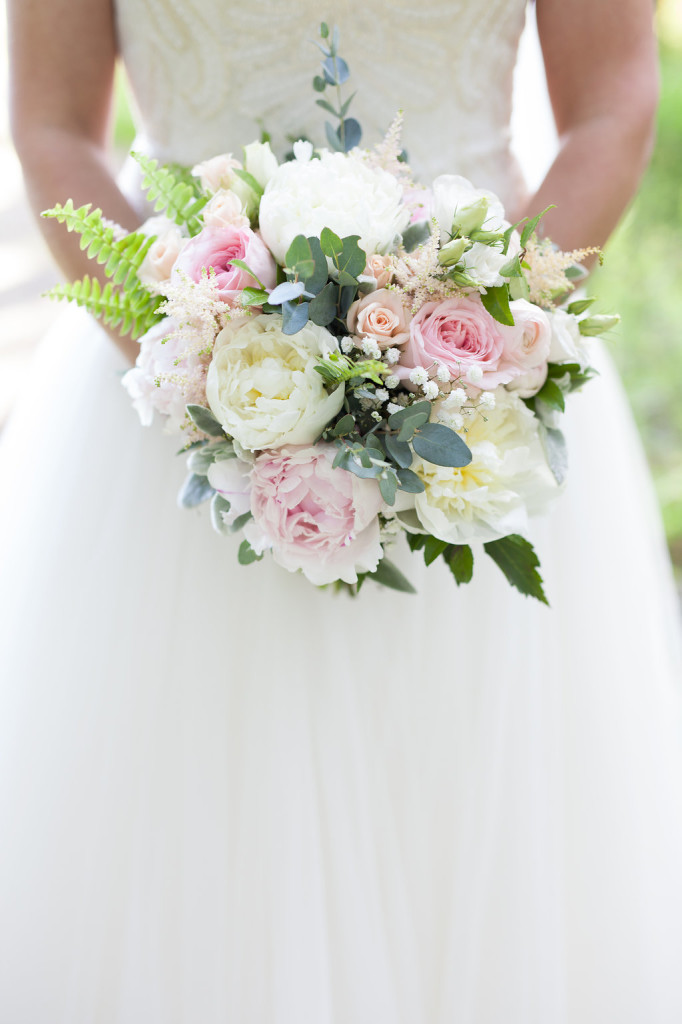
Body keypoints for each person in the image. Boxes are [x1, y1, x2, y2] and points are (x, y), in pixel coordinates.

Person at [2, 1, 682, 1020]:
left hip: (476, 403)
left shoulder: (474, 358)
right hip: (161, 410)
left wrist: (469, 345)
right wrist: (195, 357)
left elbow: (612, 105)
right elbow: (54, 125)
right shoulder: (178, 364)